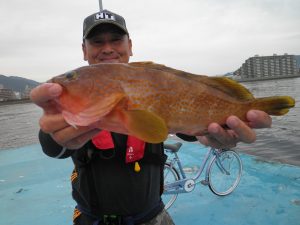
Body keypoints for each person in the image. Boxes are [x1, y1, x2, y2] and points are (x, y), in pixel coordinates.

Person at [30, 9, 272, 225]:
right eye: (96, 41)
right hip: (92, 220)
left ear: (130, 45)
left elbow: (188, 128)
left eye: (116, 39)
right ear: (84, 50)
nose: (107, 48)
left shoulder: (148, 79)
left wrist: (212, 134)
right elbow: (53, 145)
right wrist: (53, 133)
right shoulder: (72, 105)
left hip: (153, 216)